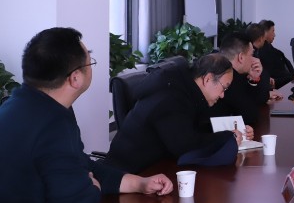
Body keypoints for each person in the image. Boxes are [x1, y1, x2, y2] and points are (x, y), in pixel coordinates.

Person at [0, 28, 173, 203]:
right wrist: (93, 187)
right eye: (90, 61)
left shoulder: (20, 105)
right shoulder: (52, 123)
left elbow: (78, 163)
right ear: (75, 78)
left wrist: (138, 183)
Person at [104, 53, 254, 174]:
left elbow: (196, 128)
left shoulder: (186, 89)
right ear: (208, 79)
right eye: (224, 88)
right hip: (129, 174)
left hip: (157, 169)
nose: (222, 95)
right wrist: (227, 137)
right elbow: (186, 146)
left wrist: (233, 130)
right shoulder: (170, 97)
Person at [209, 32, 266, 127]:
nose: (254, 59)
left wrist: (254, 79)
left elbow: (259, 100)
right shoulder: (228, 78)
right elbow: (250, 116)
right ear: (241, 57)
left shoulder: (216, 68)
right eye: (251, 54)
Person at [245, 23, 282, 101]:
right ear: (261, 39)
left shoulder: (256, 52)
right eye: (264, 38)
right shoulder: (252, 56)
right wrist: (268, 93)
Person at [257, 20, 294, 88]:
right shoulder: (266, 53)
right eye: (273, 31)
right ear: (265, 33)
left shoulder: (272, 50)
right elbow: (275, 78)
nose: (274, 35)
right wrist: (292, 77)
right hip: (282, 87)